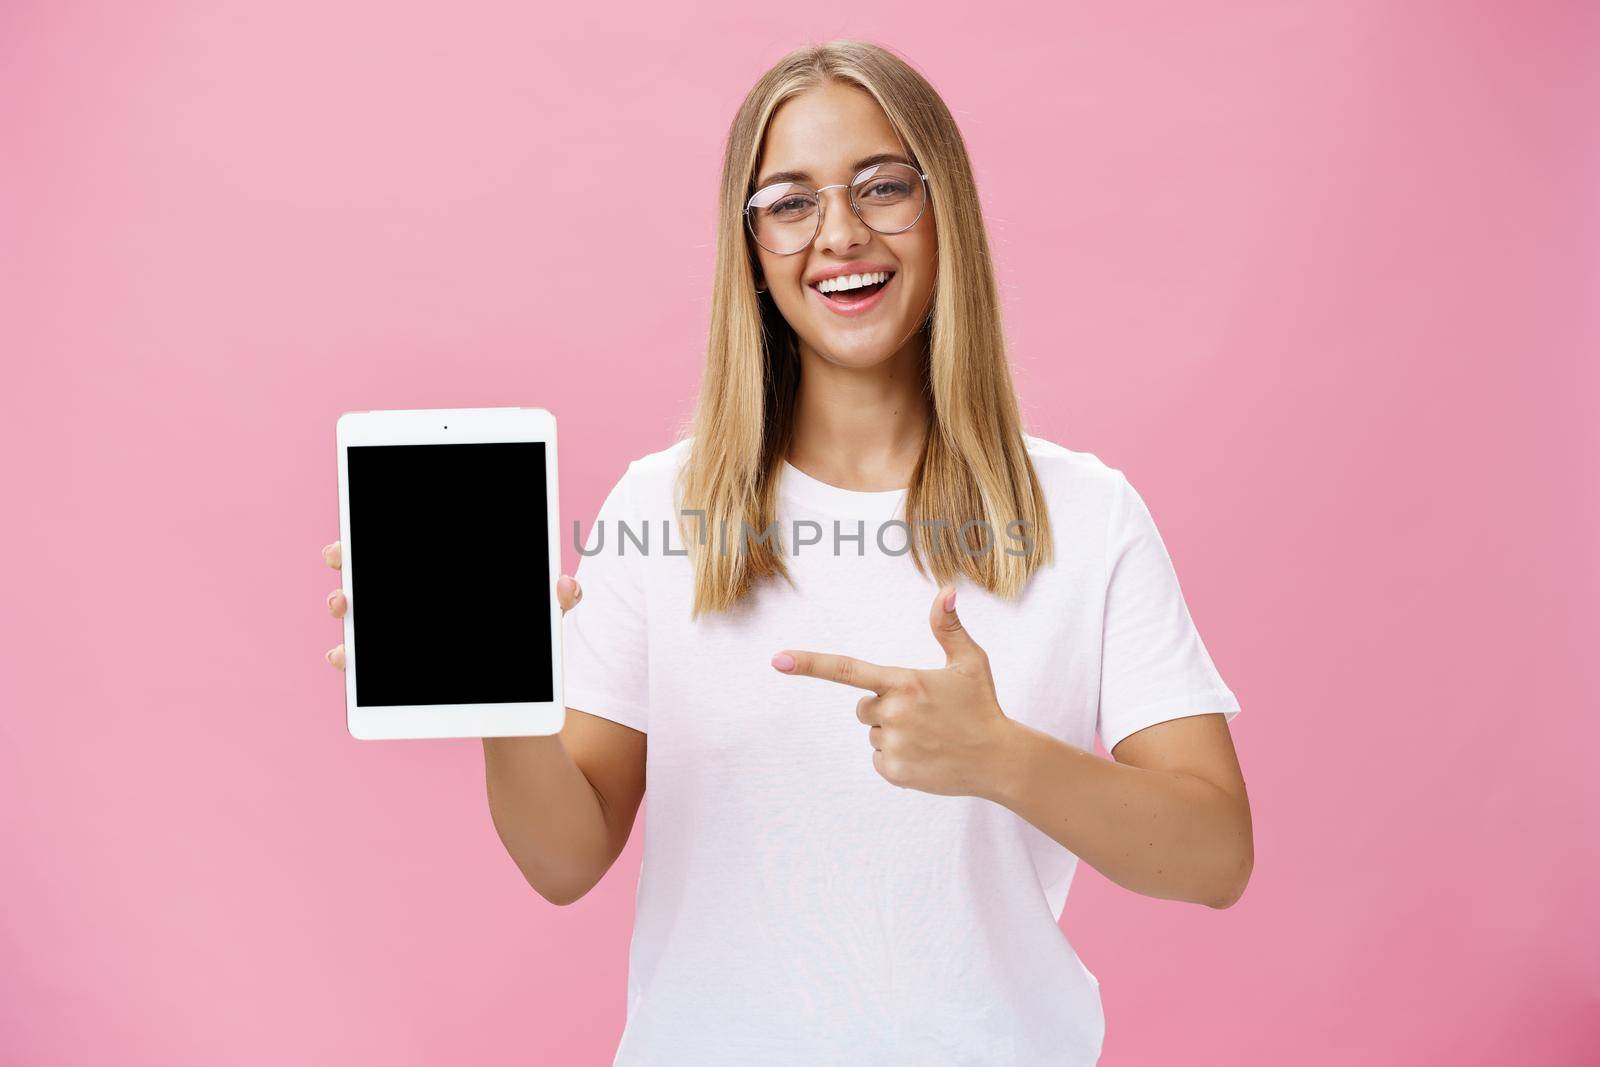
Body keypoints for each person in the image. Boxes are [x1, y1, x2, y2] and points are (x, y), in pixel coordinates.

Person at [321, 39, 1251, 1066]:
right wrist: (502, 697)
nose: (840, 233)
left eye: (883, 185)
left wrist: (1004, 759)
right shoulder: (657, 510)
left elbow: (1214, 855)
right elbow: (565, 857)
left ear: (946, 211)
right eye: (790, 201)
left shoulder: (1086, 514)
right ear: (751, 246)